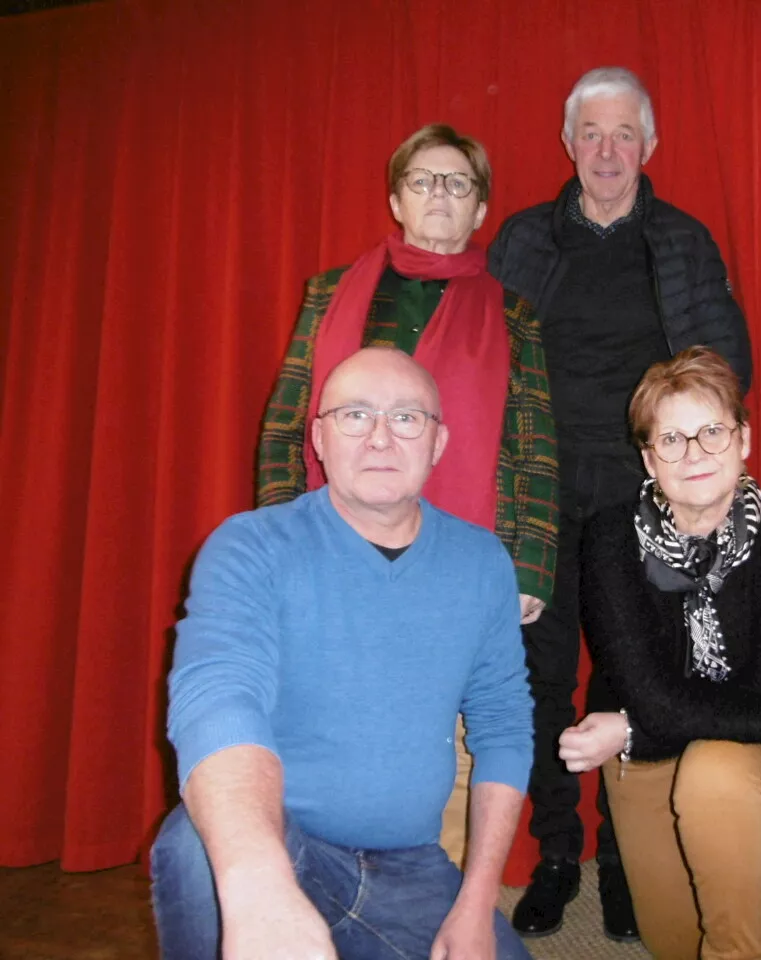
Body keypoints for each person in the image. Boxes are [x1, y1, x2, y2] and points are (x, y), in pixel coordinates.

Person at [151, 348, 535, 959]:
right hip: (283, 844)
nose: (380, 437)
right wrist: (261, 888)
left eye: (407, 418)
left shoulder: (481, 561)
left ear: (438, 443)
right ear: (319, 439)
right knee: (197, 847)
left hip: (412, 870)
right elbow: (218, 697)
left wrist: (475, 900)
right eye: (355, 415)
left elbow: (505, 727)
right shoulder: (250, 546)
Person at [488, 66, 751, 940]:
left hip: (646, 497)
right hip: (539, 495)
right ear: (569, 144)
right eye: (591, 134)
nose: (607, 151)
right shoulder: (524, 240)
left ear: (650, 147)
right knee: (542, 682)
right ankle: (559, 851)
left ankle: (623, 859)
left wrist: (691, 472)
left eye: (624, 135)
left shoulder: (682, 241)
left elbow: (725, 371)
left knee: (636, 679)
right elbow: (484, 360)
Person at [256, 123, 557, 865]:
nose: (439, 196)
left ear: (481, 209)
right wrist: (276, 542)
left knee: (448, 734)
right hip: (334, 545)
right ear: (397, 197)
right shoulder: (331, 293)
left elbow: (534, 443)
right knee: (329, 713)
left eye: (458, 183)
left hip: (454, 557)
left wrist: (528, 565)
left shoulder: (514, 314)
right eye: (424, 180)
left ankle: (436, 889)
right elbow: (288, 420)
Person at [558, 347, 761, 960]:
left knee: (712, 775)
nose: (694, 454)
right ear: (648, 458)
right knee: (675, 942)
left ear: (743, 439)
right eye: (671, 438)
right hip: (649, 748)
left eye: (711, 432)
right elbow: (648, 693)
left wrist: (629, 726)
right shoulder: (611, 537)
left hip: (745, 741)